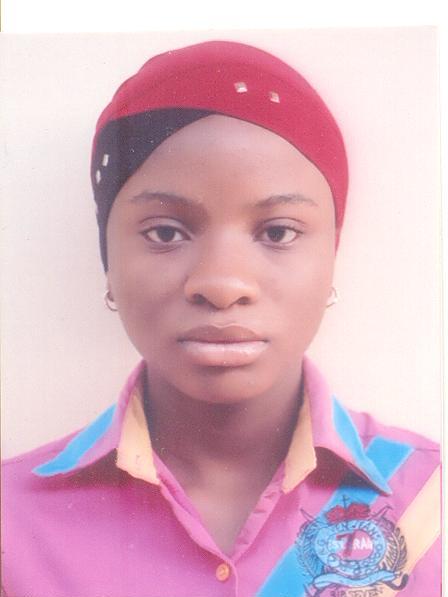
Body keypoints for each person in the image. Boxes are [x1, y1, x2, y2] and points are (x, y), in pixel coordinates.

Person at [1, 40, 440, 597]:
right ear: (108, 262)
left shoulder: (429, 501)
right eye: (165, 232)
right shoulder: (10, 520)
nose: (222, 284)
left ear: (331, 256)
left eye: (278, 231)